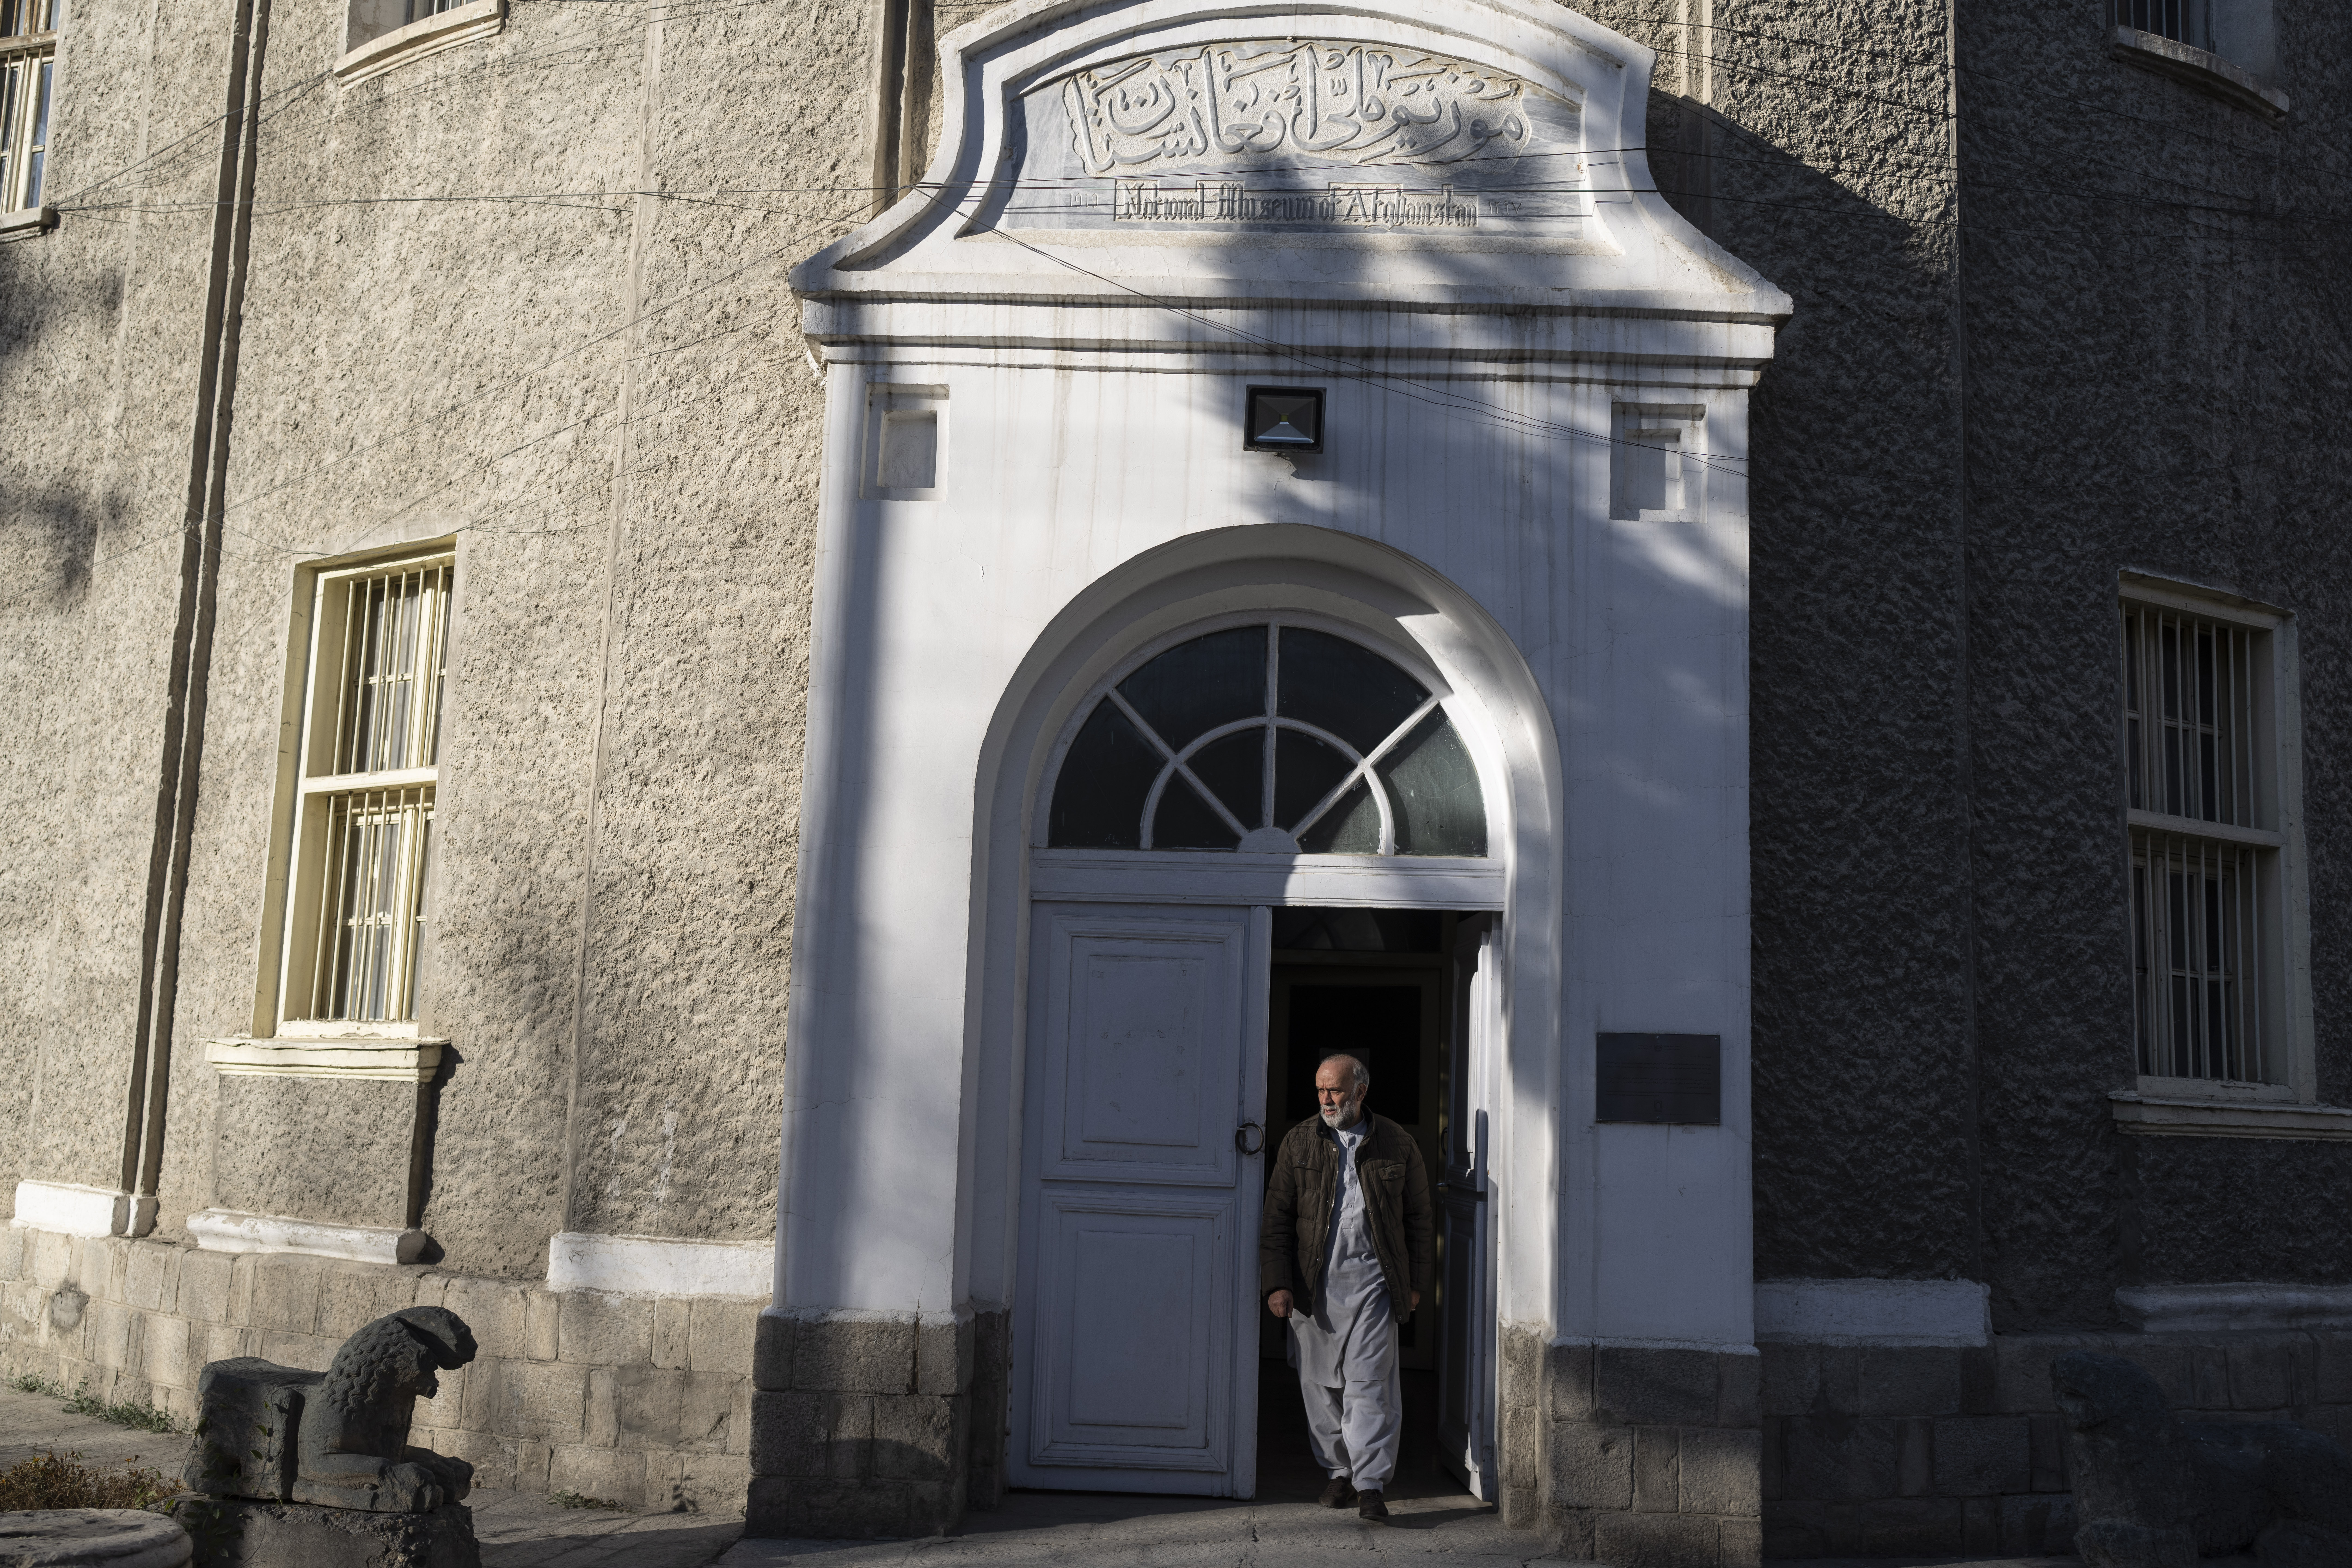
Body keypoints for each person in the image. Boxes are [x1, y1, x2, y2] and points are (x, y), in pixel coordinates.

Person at [1258, 1051, 1435, 1522]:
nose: (1326, 1099)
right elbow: (1276, 1218)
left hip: (1375, 1286)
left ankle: (1371, 1484)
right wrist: (1277, 1284)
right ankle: (1339, 1473)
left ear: (1361, 1091)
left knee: (1370, 1386)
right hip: (1312, 1285)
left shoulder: (1397, 1143)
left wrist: (1416, 1283)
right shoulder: (1299, 1142)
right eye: (1320, 1090)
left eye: (1334, 1089)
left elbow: (1420, 1218)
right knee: (1318, 1386)